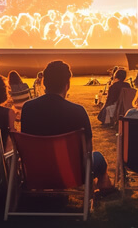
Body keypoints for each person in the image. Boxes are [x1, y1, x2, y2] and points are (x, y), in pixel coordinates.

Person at [21, 61, 113, 191]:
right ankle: (104, 191)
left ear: (44, 83)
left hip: (36, 171)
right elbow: (88, 149)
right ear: (67, 85)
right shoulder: (77, 111)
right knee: (99, 158)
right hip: (72, 173)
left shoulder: (28, 108)